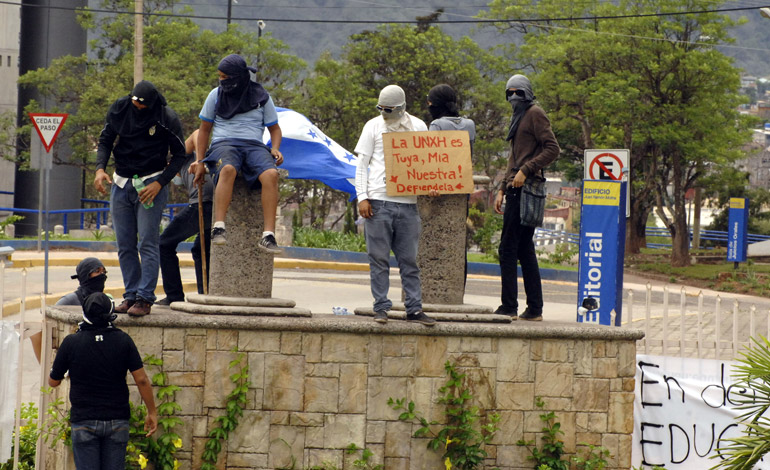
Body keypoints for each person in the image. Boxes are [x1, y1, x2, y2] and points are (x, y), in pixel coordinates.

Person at [94, 80, 187, 317]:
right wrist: (99, 169)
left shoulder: (166, 118)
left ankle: (145, 298)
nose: (137, 106)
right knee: (124, 244)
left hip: (150, 183)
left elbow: (179, 155)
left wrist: (159, 183)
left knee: (147, 241)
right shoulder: (120, 109)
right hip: (122, 182)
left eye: (142, 104)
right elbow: (105, 140)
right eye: (135, 101)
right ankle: (131, 294)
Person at [355, 84, 436, 326]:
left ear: (401, 108)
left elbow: (427, 163)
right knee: (378, 258)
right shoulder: (373, 126)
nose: (384, 113)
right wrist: (362, 196)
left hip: (408, 203)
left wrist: (431, 183)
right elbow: (362, 164)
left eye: (389, 109)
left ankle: (414, 308)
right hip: (379, 200)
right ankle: (381, 307)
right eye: (381, 108)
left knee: (409, 260)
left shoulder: (419, 127)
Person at [49, 292, 157, 470]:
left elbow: (53, 382)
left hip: (84, 420)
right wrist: (151, 412)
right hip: (117, 420)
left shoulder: (71, 342)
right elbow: (142, 380)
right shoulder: (123, 340)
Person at [193, 54, 284, 254]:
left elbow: (275, 129)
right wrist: (200, 161)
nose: (222, 80)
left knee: (271, 174)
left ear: (238, 77)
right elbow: (204, 130)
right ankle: (219, 227)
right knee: (227, 168)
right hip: (224, 143)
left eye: (225, 77)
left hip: (254, 145)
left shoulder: (261, 97)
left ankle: (268, 235)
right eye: (220, 76)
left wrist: (275, 148)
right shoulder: (215, 95)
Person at [494, 74, 560, 321]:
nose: (513, 97)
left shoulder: (535, 113)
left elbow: (553, 148)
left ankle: (509, 306)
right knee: (523, 249)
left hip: (526, 188)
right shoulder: (517, 116)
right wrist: (501, 187)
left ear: (528, 93)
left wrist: (526, 169)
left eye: (518, 93)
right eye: (509, 93)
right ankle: (534, 308)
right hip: (513, 187)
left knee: (508, 248)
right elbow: (513, 158)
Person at [157, 130, 214, 304]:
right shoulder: (180, 169)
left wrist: (199, 159)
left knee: (165, 243)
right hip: (211, 204)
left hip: (205, 204)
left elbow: (198, 133)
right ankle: (206, 293)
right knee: (200, 249)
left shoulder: (182, 155)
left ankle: (174, 296)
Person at [29, 257, 109, 364]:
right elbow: (39, 332)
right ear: (85, 275)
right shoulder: (70, 300)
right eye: (97, 271)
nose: (102, 275)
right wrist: (46, 366)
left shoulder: (104, 301)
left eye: (103, 271)